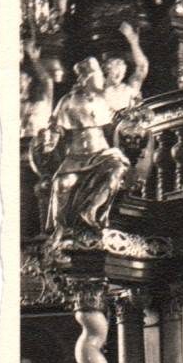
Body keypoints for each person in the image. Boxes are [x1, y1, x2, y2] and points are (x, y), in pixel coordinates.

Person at [42, 57, 131, 237]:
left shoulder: (105, 99)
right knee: (62, 184)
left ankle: (91, 210)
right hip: (76, 156)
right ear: (86, 78)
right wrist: (49, 142)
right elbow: (55, 127)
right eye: (96, 76)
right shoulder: (68, 101)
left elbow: (124, 116)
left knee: (117, 169)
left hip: (101, 153)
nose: (100, 80)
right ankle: (60, 229)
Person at [102, 21, 149, 114]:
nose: (120, 75)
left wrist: (133, 41)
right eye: (116, 70)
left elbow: (143, 67)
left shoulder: (128, 89)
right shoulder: (97, 87)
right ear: (107, 69)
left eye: (123, 72)